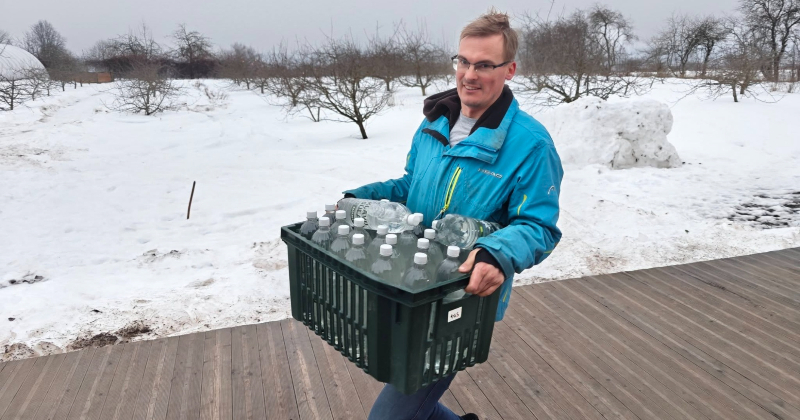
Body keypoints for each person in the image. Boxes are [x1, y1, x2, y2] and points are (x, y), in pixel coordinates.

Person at [343, 9, 563, 420]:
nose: (469, 74)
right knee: (411, 402)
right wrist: (361, 198)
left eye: (484, 64)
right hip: (413, 283)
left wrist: (496, 254)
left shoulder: (531, 145)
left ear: (509, 70)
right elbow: (412, 187)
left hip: (460, 305)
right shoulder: (434, 122)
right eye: (463, 61)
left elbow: (538, 226)